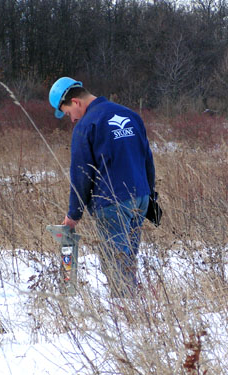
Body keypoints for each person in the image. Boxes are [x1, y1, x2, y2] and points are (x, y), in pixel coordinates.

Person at [49, 77, 155, 297]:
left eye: (68, 112)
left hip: (111, 203)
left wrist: (73, 215)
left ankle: (127, 312)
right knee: (128, 258)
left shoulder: (86, 126)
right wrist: (150, 194)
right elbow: (147, 159)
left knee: (116, 262)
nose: (71, 119)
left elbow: (81, 175)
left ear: (76, 102)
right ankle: (135, 311)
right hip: (141, 198)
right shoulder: (130, 115)